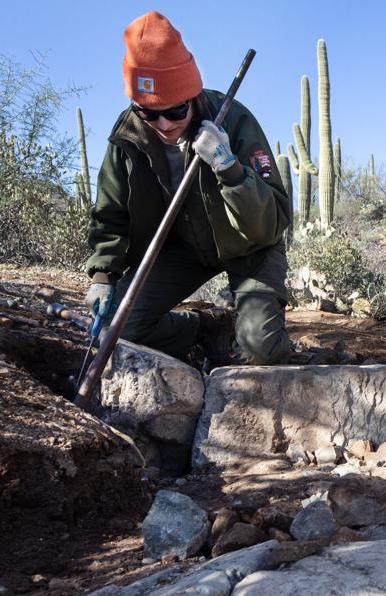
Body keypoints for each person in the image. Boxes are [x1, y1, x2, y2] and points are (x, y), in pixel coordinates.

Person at [83, 11, 292, 370]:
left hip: (250, 247)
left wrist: (229, 168)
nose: (163, 124)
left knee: (259, 350)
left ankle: (267, 341)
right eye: (149, 113)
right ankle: (202, 331)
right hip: (185, 248)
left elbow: (270, 225)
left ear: (191, 95)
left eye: (175, 110)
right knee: (119, 329)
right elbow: (111, 213)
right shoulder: (127, 137)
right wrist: (104, 276)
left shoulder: (235, 121)